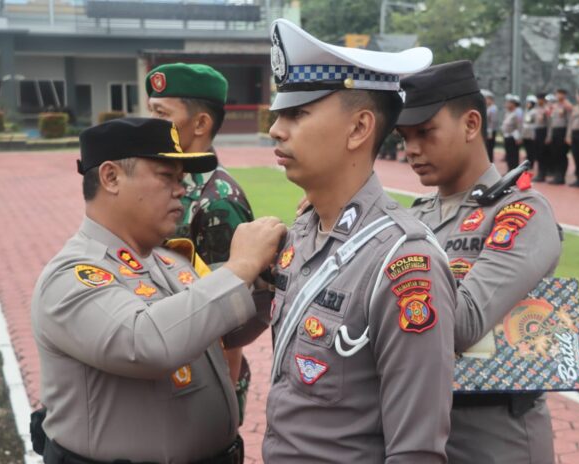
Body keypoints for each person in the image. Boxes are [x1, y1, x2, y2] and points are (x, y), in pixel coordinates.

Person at [31, 117, 286, 463]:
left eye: (181, 179)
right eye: (167, 177)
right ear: (111, 177)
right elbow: (146, 343)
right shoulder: (71, 276)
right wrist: (239, 267)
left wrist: (266, 278)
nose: (181, 189)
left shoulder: (168, 260)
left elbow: (218, 325)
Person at [264, 18, 455, 463]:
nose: (276, 129)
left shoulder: (404, 261)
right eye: (278, 114)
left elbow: (416, 451)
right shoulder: (303, 233)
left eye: (297, 113)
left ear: (358, 129)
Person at [396, 60, 562, 464]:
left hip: (495, 439)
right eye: (404, 137)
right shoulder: (414, 215)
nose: (411, 149)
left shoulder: (521, 211)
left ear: (471, 125)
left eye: (425, 133)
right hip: (422, 432)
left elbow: (464, 322)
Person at [145, 62, 257, 422]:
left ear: (200, 124)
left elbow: (232, 322)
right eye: (150, 112)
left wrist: (219, 407)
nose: (151, 123)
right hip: (161, 357)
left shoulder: (217, 201)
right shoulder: (163, 183)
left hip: (201, 385)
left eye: (161, 114)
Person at [545, 88, 573, 185]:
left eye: (561, 94)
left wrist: (568, 135)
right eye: (557, 93)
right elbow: (550, 122)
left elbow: (570, 121)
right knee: (555, 154)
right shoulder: (554, 106)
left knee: (562, 155)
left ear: (564, 95)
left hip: (563, 131)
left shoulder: (567, 106)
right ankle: (556, 175)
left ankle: (561, 176)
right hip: (555, 131)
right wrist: (549, 135)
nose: (558, 96)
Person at [531, 93, 551, 182]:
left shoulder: (546, 109)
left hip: (544, 131)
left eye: (540, 99)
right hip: (537, 131)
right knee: (538, 154)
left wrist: (548, 136)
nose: (539, 101)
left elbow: (550, 124)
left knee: (543, 154)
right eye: (538, 99)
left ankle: (542, 174)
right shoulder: (535, 109)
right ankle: (540, 172)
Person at [501, 94, 523, 171]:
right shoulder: (507, 112)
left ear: (513, 104)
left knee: (514, 155)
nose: (506, 104)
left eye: (509, 103)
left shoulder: (517, 113)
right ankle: (509, 170)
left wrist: (519, 138)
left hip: (513, 137)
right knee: (509, 155)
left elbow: (519, 126)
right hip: (507, 136)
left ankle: (514, 171)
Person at [482, 89, 498, 162]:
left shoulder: (493, 109)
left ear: (491, 99)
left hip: (491, 131)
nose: (485, 100)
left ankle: (490, 162)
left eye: (487, 98)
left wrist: (490, 133)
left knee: (489, 149)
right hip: (487, 130)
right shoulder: (488, 108)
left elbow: (493, 122)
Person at [522, 95, 537, 167]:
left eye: (529, 103)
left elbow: (529, 121)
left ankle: (531, 163)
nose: (527, 104)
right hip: (526, 133)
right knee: (527, 149)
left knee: (531, 149)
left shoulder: (534, 112)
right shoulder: (526, 111)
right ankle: (528, 161)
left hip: (531, 133)